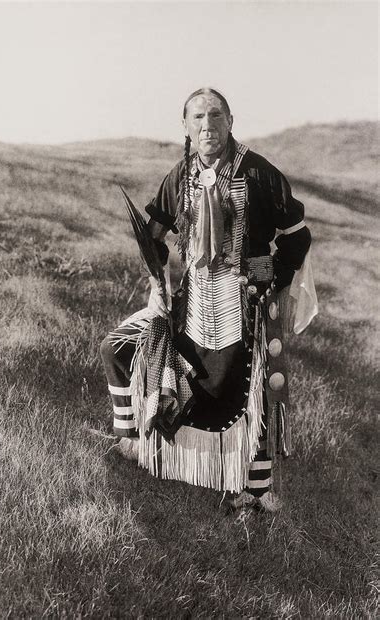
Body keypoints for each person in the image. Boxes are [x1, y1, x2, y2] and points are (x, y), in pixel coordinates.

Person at [100, 87, 316, 512]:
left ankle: (254, 490)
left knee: (254, 389)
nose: (207, 125)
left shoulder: (259, 173)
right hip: (194, 303)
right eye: (197, 117)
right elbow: (155, 236)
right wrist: (157, 287)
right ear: (185, 126)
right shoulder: (180, 176)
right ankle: (131, 441)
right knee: (119, 347)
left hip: (249, 302)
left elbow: (296, 236)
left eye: (215, 115)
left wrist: (281, 284)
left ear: (231, 121)